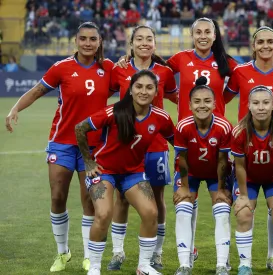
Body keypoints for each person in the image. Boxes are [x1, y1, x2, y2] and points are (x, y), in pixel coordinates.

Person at [117, 18, 237, 264]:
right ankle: (189, 251)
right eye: (198, 32)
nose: (203, 36)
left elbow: (249, 73)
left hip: (217, 139)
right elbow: (155, 67)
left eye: (208, 32)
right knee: (186, 199)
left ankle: (223, 260)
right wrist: (125, 59)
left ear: (215, 36)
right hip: (187, 138)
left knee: (221, 200)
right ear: (192, 35)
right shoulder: (180, 59)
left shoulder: (227, 62)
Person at [5, 22, 112, 272]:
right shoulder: (61, 68)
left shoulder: (107, 68)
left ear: (99, 42)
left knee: (89, 200)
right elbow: (36, 91)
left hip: (94, 145)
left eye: (92, 39)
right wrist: (14, 109)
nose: (87, 43)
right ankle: (62, 253)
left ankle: (88, 255)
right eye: (83, 38)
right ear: (76, 40)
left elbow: (131, 86)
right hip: (62, 142)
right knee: (57, 196)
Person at [75, 70, 175, 275]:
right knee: (103, 214)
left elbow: (177, 141)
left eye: (149, 87)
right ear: (130, 90)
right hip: (104, 171)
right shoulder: (114, 112)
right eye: (139, 87)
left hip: (134, 173)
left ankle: (144, 266)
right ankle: (94, 268)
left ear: (156, 91)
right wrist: (88, 161)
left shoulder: (161, 117)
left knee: (151, 213)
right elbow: (80, 128)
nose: (143, 91)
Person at [223, 26, 273, 269]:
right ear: (253, 46)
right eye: (261, 42)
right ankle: (242, 263)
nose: (266, 46)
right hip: (246, 145)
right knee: (243, 210)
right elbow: (224, 97)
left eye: (270, 41)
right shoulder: (241, 71)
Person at [107, 25, 177, 271]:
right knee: (122, 198)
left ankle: (156, 253)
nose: (144, 43)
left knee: (157, 198)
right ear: (132, 43)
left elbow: (176, 98)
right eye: (139, 39)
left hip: (156, 145)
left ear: (155, 45)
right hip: (124, 145)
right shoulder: (120, 69)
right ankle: (118, 252)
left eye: (149, 39)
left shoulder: (165, 73)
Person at [172, 76, 234, 275]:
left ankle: (222, 264)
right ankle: (184, 264)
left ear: (215, 104)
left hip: (217, 173)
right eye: (197, 101)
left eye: (207, 101)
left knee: (223, 209)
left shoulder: (224, 127)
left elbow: (224, 161)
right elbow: (181, 158)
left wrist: (223, 187)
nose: (202, 105)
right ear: (189, 105)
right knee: (183, 208)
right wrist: (183, 186)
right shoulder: (183, 126)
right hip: (190, 172)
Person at [231, 86, 273, 275]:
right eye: (256, 103)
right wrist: (242, 195)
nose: (261, 107)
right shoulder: (239, 132)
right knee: (243, 214)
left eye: (266, 103)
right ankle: (245, 264)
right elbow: (239, 166)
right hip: (248, 179)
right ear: (248, 105)